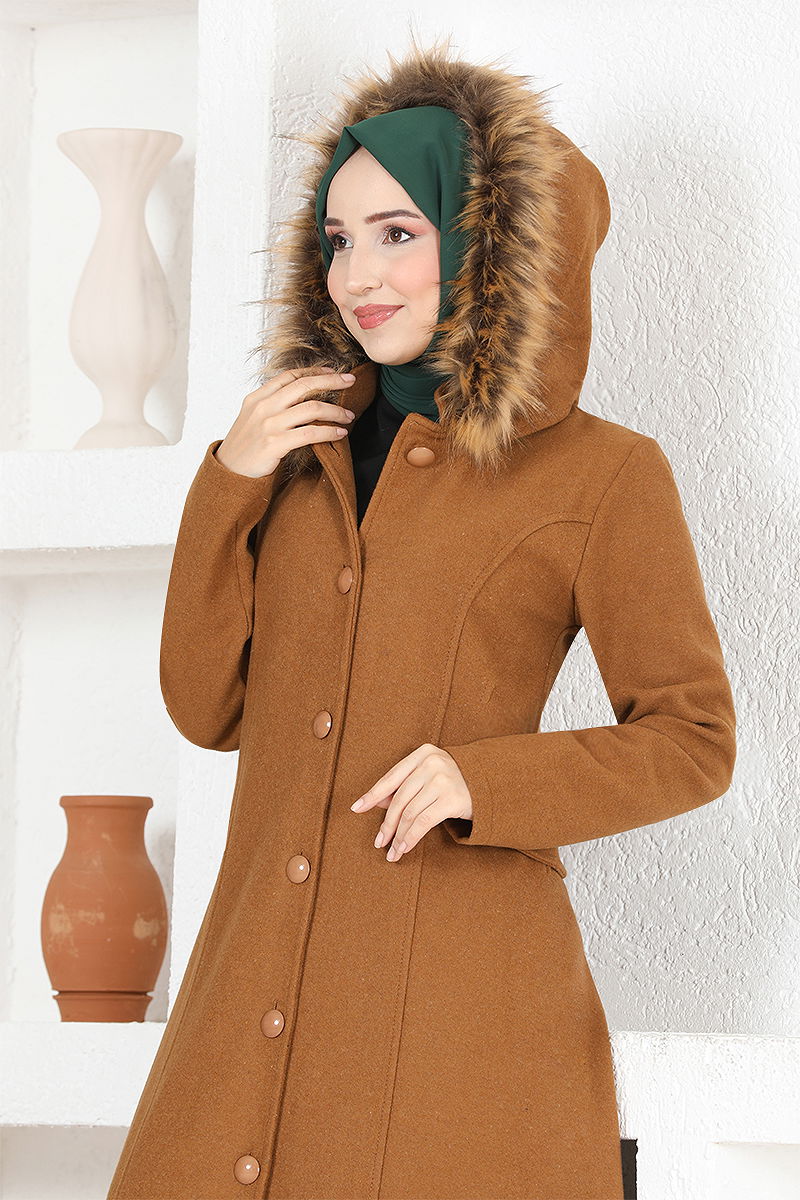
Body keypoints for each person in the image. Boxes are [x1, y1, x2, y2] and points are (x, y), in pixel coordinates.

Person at [107, 36, 736, 1200]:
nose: (358, 273)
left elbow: (693, 741)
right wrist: (228, 480)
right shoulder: (293, 456)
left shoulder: (601, 475)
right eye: (339, 239)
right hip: (250, 989)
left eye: (398, 232)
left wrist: (481, 780)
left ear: (490, 246)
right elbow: (208, 708)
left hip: (459, 1015)